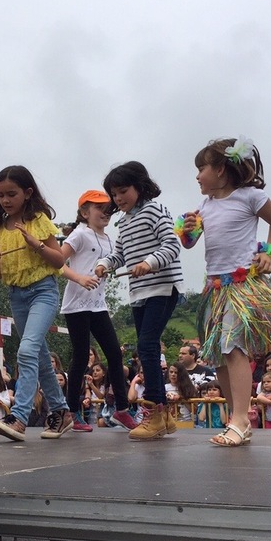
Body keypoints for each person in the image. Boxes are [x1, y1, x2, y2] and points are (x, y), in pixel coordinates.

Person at [177, 136, 271, 447]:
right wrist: (187, 232)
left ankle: (242, 418)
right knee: (218, 355)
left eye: (201, 169)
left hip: (242, 287)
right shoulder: (205, 206)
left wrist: (268, 253)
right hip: (215, 289)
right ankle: (236, 417)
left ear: (220, 169)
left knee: (232, 348)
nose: (197, 176)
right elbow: (189, 243)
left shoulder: (250, 197)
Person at [0, 165, 72, 441]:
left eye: (12, 194)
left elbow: (59, 260)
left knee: (27, 350)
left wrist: (37, 245)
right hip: (17, 295)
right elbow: (2, 274)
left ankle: (18, 416)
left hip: (43, 291)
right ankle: (62, 413)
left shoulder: (38, 220)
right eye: (1, 195)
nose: (6, 200)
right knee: (40, 357)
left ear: (28, 192)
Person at [95, 161, 183, 441]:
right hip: (139, 293)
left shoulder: (155, 210)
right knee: (147, 348)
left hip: (162, 287)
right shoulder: (123, 221)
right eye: (114, 194)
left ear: (140, 187)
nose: (118, 198)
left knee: (146, 346)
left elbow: (172, 245)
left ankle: (154, 411)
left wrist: (149, 262)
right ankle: (164, 416)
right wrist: (104, 264)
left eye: (123, 191)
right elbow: (120, 254)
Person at [60, 190, 138, 432]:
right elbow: (56, 262)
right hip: (77, 305)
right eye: (99, 208)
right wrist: (80, 278)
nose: (106, 213)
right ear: (85, 212)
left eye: (108, 209)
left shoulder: (109, 240)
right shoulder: (80, 234)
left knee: (114, 354)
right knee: (81, 356)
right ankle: (72, 412)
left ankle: (121, 410)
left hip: (98, 304)